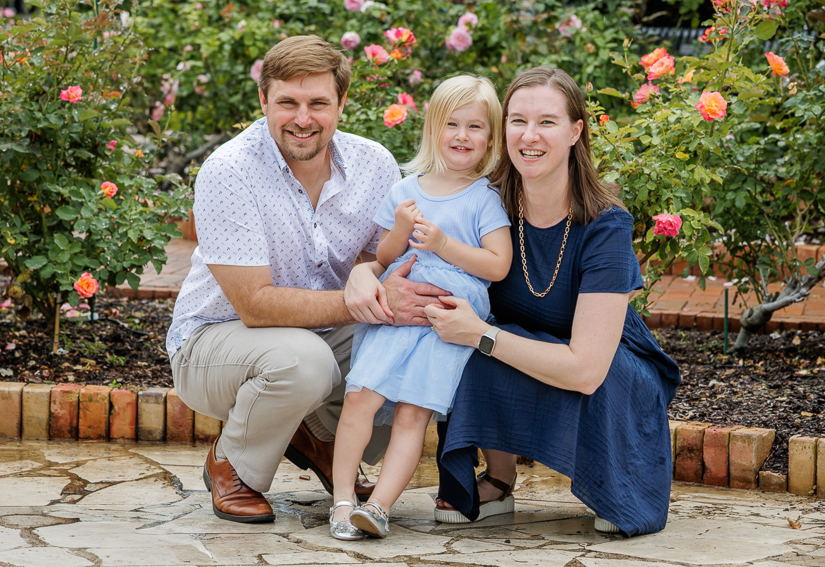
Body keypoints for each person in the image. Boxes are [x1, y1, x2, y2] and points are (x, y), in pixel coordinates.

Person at [346, 66, 681, 537]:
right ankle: (500, 479)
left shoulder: (606, 226)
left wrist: (479, 333)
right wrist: (362, 276)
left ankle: (615, 481)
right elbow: (393, 256)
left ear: (575, 131)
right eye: (518, 121)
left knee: (495, 347)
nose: (530, 135)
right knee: (461, 351)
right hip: (520, 342)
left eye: (547, 121)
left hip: (607, 367)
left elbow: (585, 369)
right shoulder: (485, 203)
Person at [166, 35, 448, 524]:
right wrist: (370, 302)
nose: (303, 118)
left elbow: (375, 261)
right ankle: (232, 465)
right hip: (215, 341)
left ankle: (323, 441)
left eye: (318, 102)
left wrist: (388, 288)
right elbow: (254, 305)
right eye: (287, 103)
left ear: (341, 102)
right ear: (263, 101)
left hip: (316, 334)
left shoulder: (373, 163)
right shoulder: (229, 171)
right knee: (306, 362)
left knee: (421, 337)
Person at [329, 76, 512, 540]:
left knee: (414, 413)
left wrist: (445, 243)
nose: (462, 135)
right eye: (452, 123)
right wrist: (399, 227)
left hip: (446, 321)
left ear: (490, 138)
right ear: (433, 128)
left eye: (475, 126)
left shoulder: (484, 198)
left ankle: (381, 508)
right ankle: (344, 499)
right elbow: (383, 258)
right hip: (397, 310)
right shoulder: (406, 191)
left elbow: (498, 265)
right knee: (360, 398)